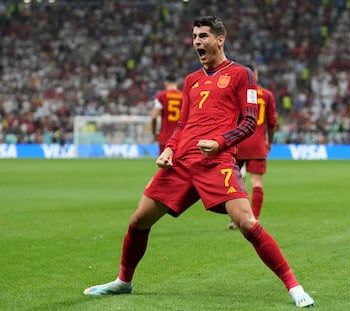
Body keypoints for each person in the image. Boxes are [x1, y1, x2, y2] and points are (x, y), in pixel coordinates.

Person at [83, 16, 314, 308]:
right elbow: (182, 125)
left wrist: (220, 142)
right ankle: (123, 282)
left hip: (217, 161)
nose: (196, 42)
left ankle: (294, 286)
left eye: (203, 36)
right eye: (194, 36)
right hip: (180, 162)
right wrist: (169, 149)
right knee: (138, 220)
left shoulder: (242, 74)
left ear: (220, 39)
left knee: (246, 221)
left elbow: (250, 121)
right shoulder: (191, 80)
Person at [228, 64, 277, 229]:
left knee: (234, 182)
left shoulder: (238, 92)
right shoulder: (267, 95)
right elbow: (272, 123)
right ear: (255, 75)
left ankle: (237, 217)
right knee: (256, 182)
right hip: (257, 145)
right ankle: (253, 219)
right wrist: (269, 141)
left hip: (238, 142)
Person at [151, 74, 183, 154]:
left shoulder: (162, 96)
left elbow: (154, 117)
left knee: (164, 165)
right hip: (180, 138)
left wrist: (154, 133)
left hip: (165, 137)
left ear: (165, 83)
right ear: (177, 84)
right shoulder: (184, 96)